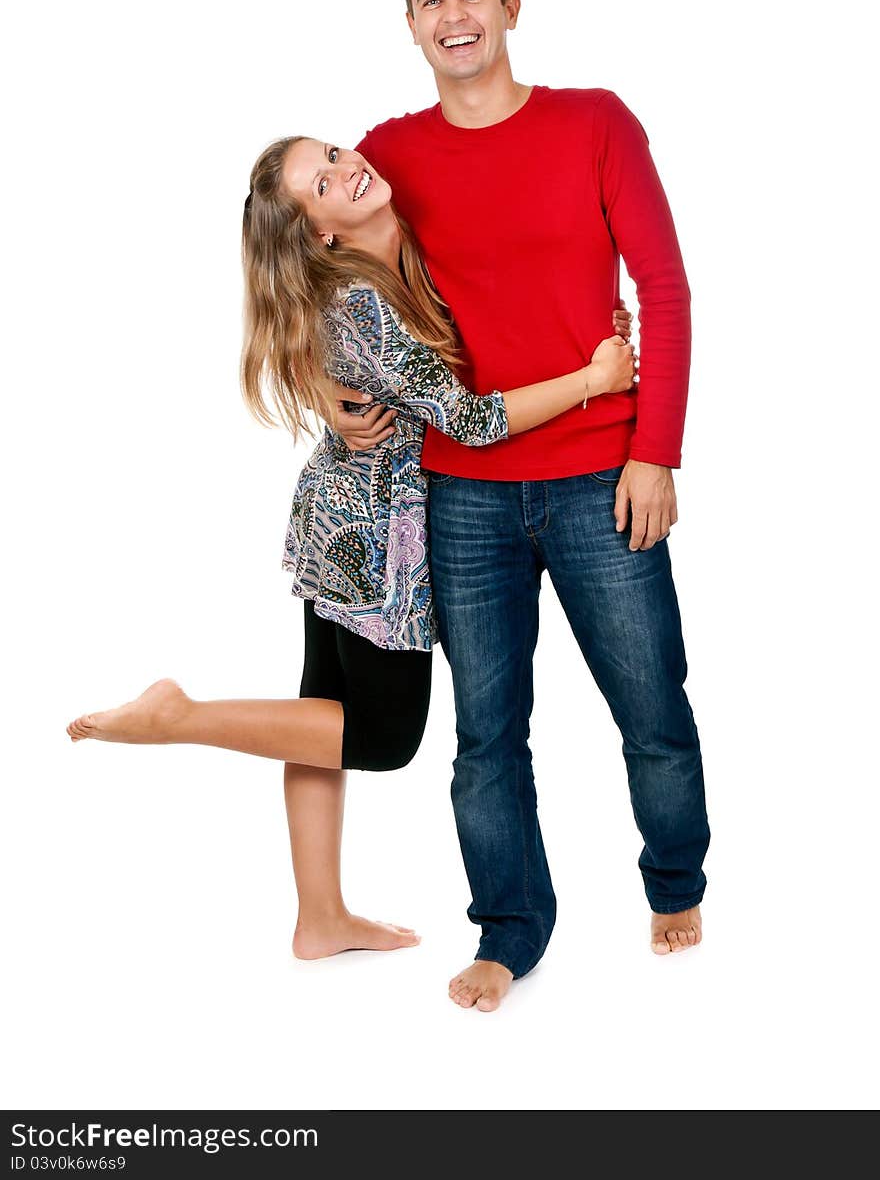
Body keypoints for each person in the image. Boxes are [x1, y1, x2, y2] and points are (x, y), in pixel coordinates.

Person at [66, 133, 635, 964]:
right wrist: (593, 381)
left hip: (339, 510)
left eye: (331, 152)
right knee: (381, 734)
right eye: (320, 182)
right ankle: (181, 716)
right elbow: (473, 422)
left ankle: (320, 916)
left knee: (315, 712)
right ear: (320, 230)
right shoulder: (361, 302)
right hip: (376, 534)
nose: (345, 168)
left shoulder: (383, 248)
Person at [332, 0, 711, 1011]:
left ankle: (674, 878)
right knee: (486, 732)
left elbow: (667, 291)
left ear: (509, 6)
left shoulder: (593, 121)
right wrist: (329, 389)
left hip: (602, 475)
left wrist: (656, 449)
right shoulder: (388, 152)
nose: (454, 15)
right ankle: (509, 927)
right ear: (409, 24)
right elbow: (308, 273)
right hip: (461, 489)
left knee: (651, 704)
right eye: (430, 0)